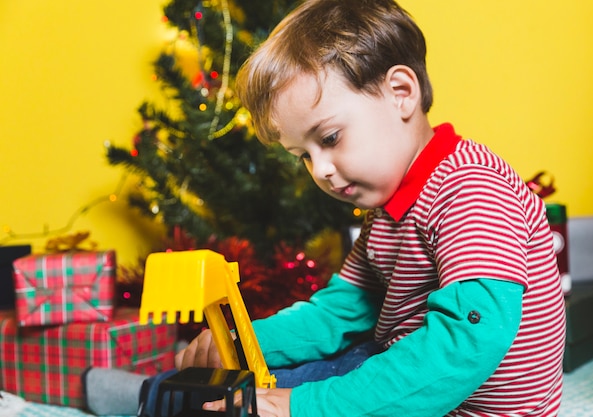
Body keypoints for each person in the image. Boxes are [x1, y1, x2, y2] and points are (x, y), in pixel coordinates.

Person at [84, 0, 566, 415]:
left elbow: (465, 344)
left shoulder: (471, 189)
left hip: (462, 403)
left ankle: (160, 396)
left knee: (303, 392)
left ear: (401, 92)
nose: (321, 171)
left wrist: (308, 407)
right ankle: (164, 394)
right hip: (406, 374)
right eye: (304, 157)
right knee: (300, 376)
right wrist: (242, 342)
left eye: (330, 138)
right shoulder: (390, 211)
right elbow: (340, 311)